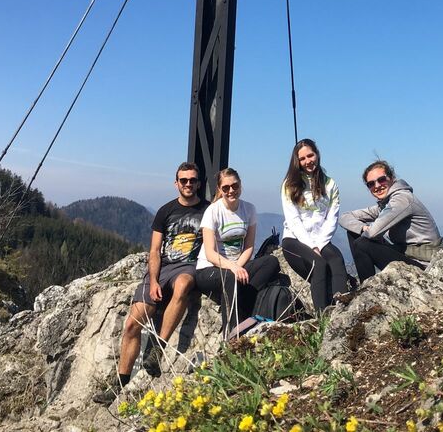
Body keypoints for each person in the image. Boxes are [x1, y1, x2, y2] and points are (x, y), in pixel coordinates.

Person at [100, 162, 209, 402]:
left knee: (183, 285)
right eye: (184, 180)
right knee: (132, 324)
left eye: (192, 180)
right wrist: (154, 281)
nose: (188, 184)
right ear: (176, 183)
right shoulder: (165, 211)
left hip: (188, 267)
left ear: (199, 183)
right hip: (163, 268)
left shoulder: (208, 210)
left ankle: (158, 349)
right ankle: (120, 383)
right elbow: (154, 250)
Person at [195, 168, 280, 335]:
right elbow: (210, 253)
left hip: (236, 265)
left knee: (271, 262)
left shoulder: (249, 209)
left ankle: (245, 307)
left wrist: (238, 266)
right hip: (209, 269)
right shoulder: (213, 211)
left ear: (240, 185)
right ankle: (232, 335)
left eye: (235, 186)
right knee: (230, 278)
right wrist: (233, 268)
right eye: (226, 187)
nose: (231, 190)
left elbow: (249, 247)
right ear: (219, 189)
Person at [339, 159, 443, 282]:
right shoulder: (385, 205)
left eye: (381, 179)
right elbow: (344, 217)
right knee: (354, 233)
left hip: (425, 265)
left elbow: (372, 233)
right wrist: (362, 228)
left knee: (362, 243)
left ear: (392, 178)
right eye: (371, 184)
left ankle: (367, 287)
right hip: (407, 256)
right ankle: (367, 285)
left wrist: (367, 230)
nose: (377, 186)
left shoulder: (402, 199)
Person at [280, 139, 349, 312]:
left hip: (320, 239)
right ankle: (322, 315)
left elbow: (332, 218)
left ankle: (341, 310)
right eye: (302, 159)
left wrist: (320, 243)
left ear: (317, 154)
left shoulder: (330, 184)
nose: (307, 161)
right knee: (318, 264)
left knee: (336, 259)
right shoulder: (289, 185)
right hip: (294, 239)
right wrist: (312, 247)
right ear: (297, 161)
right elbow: (293, 220)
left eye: (310, 156)